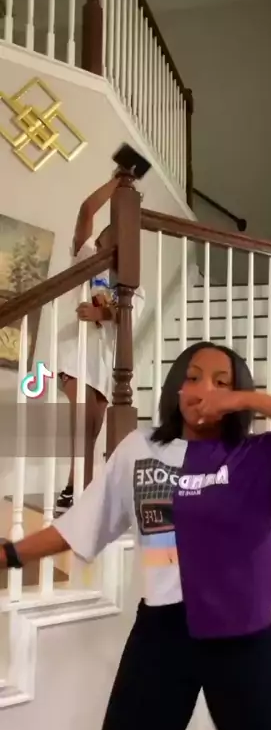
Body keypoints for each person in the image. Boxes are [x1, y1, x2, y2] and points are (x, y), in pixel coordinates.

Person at [0, 341, 271, 730]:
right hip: (160, 640)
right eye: (193, 377)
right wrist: (11, 553)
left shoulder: (259, 456)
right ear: (176, 388)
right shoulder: (138, 449)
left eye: (222, 381)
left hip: (243, 643)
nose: (204, 388)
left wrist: (249, 400)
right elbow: (81, 524)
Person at [56, 172, 145, 512]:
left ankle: (75, 489)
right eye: (111, 241)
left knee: (91, 430)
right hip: (75, 354)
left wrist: (101, 314)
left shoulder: (132, 284)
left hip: (105, 363)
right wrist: (117, 181)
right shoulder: (87, 260)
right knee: (83, 420)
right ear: (101, 244)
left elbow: (127, 316)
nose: (114, 248)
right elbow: (86, 211)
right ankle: (78, 490)